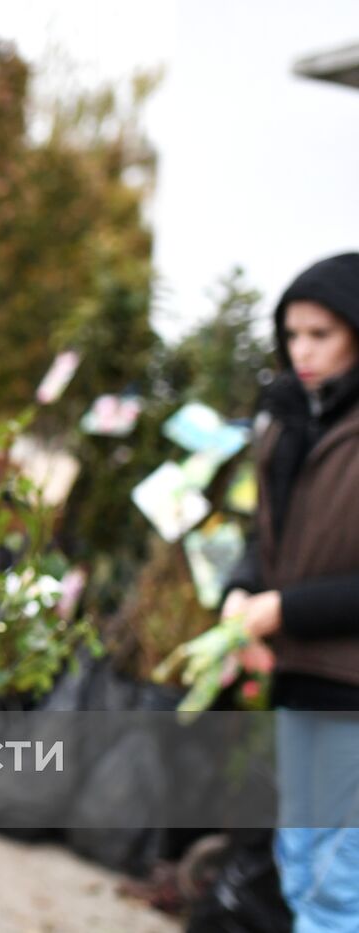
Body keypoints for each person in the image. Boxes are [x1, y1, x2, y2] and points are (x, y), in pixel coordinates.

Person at [224, 252, 359, 930]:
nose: (301, 351)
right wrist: (244, 591)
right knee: (299, 866)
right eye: (292, 334)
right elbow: (271, 539)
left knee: (341, 888)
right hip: (300, 677)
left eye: (321, 334)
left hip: (352, 688)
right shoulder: (287, 421)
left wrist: (286, 608)